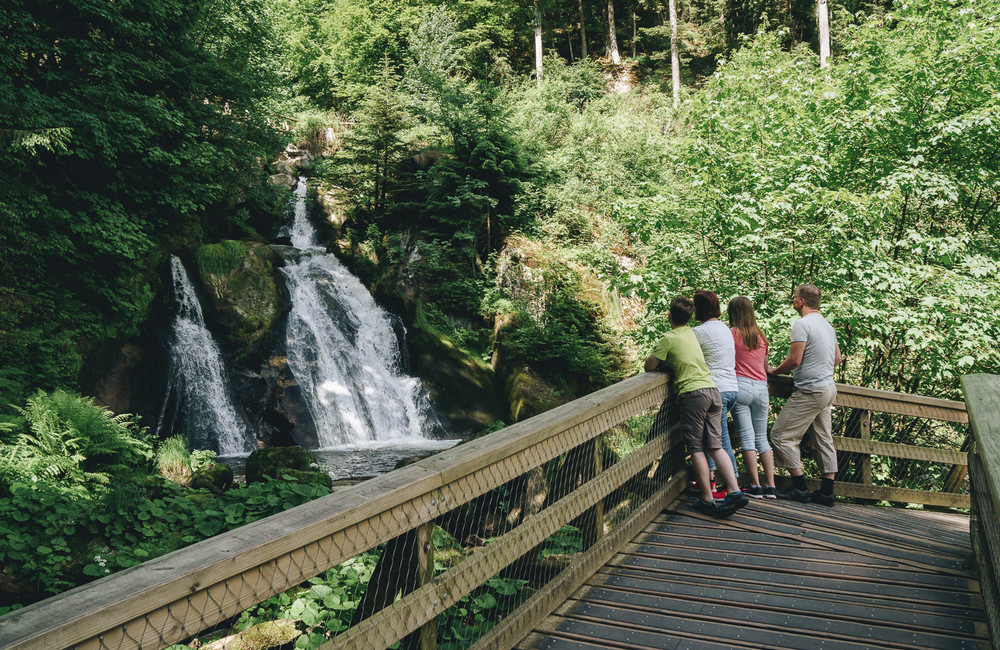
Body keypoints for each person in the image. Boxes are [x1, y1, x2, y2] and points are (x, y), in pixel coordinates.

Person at [645, 296, 749, 517]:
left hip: (693, 394)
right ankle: (734, 490)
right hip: (713, 391)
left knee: (696, 448)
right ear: (691, 316)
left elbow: (649, 365)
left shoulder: (669, 337)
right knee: (715, 445)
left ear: (669, 315)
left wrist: (666, 363)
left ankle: (707, 499)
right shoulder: (693, 333)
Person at [767, 284, 842, 506]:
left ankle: (800, 488)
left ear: (801, 301)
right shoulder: (827, 326)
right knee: (823, 439)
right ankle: (826, 492)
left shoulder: (802, 324)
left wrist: (773, 371)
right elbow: (837, 358)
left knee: (781, 435)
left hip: (811, 389)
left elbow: (795, 360)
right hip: (828, 388)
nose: (793, 299)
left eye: (795, 297)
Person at [727, 296, 777, 499]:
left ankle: (755, 486)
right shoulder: (762, 338)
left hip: (741, 386)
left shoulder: (731, 334)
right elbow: (765, 368)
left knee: (747, 440)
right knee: (762, 439)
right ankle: (771, 486)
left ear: (733, 313)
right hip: (761, 388)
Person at [692, 290, 740, 496]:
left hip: (715, 389)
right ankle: (712, 482)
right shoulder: (724, 329)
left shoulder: (699, 332)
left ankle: (732, 487)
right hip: (732, 388)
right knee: (713, 437)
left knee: (718, 442)